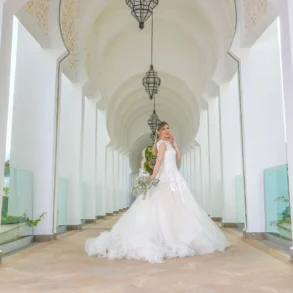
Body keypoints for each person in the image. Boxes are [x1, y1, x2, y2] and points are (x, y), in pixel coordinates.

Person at [85, 121, 229, 263]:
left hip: (176, 178)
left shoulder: (169, 144)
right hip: (166, 178)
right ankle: (166, 238)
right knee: (162, 208)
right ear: (159, 132)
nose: (167, 131)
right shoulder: (161, 144)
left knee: (179, 208)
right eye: (164, 129)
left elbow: (178, 157)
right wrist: (153, 176)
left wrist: (175, 144)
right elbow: (159, 160)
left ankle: (179, 235)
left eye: (168, 128)